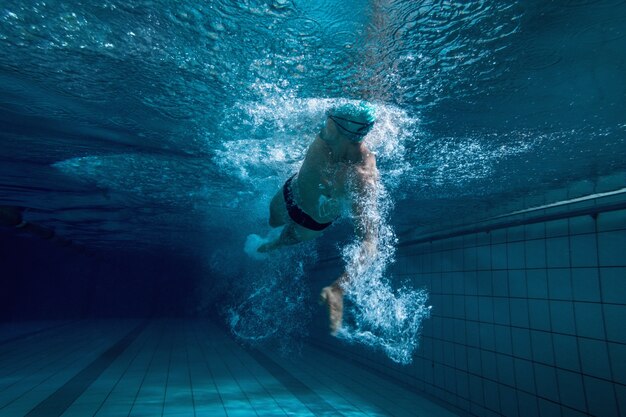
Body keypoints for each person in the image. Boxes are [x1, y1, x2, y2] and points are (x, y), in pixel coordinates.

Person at [245, 102, 381, 335]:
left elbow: (370, 244)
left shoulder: (361, 177)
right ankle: (260, 242)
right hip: (289, 192)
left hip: (310, 223)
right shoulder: (327, 136)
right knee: (271, 223)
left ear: (339, 129)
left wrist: (340, 287)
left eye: (327, 120)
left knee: (275, 244)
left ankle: (267, 246)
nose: (322, 123)